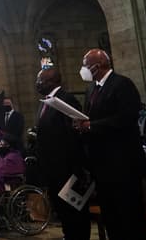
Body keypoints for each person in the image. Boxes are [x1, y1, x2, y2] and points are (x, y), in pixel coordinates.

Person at [74, 48, 146, 240]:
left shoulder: (122, 84)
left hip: (123, 163)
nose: (84, 69)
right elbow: (90, 117)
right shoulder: (92, 89)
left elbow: (127, 117)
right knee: (112, 216)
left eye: (85, 65)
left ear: (97, 66)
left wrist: (92, 126)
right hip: (102, 164)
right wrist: (81, 124)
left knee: (129, 216)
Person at [35, 67, 90, 240]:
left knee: (75, 215)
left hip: (67, 170)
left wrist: (75, 169)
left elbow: (73, 135)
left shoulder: (66, 100)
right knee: (64, 215)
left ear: (52, 81)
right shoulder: (47, 101)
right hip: (53, 170)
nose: (37, 84)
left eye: (40, 80)